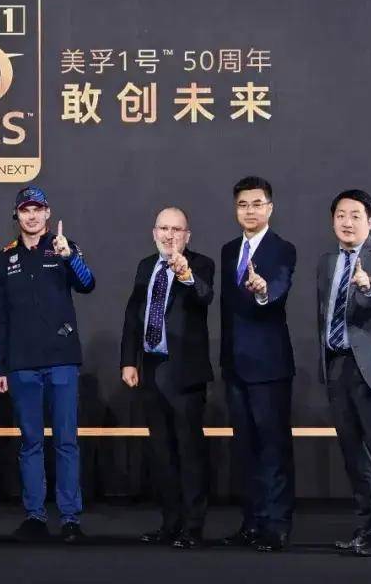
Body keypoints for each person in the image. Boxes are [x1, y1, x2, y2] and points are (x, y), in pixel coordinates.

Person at [0, 186, 96, 544]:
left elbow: (87, 284)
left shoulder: (64, 246)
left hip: (62, 360)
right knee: (30, 442)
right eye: (25, 210)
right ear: (16, 215)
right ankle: (35, 515)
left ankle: (70, 518)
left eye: (38, 209)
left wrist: (70, 257)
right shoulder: (5, 257)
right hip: (22, 364)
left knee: (66, 441)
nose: (32, 216)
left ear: (48, 213)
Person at [316, 189, 371, 557]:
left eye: (355, 215)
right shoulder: (326, 262)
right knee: (353, 455)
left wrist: (370, 284)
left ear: (370, 221)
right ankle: (367, 527)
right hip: (337, 365)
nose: (347, 222)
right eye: (340, 215)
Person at [119, 206, 215, 549]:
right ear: (154, 232)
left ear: (187, 235)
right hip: (151, 369)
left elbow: (204, 295)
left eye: (176, 229)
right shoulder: (146, 266)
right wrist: (128, 361)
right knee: (162, 453)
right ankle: (170, 523)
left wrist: (185, 273)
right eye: (164, 228)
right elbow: (134, 315)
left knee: (189, 453)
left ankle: (193, 526)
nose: (169, 235)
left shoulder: (201, 264)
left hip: (185, 374)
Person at [217, 176, 297, 552]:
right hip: (234, 365)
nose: (250, 211)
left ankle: (276, 525)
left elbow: (278, 286)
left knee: (273, 448)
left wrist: (263, 291)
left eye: (257, 203)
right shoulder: (228, 250)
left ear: (270, 208)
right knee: (245, 449)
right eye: (243, 204)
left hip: (269, 367)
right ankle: (252, 522)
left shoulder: (283, 249)